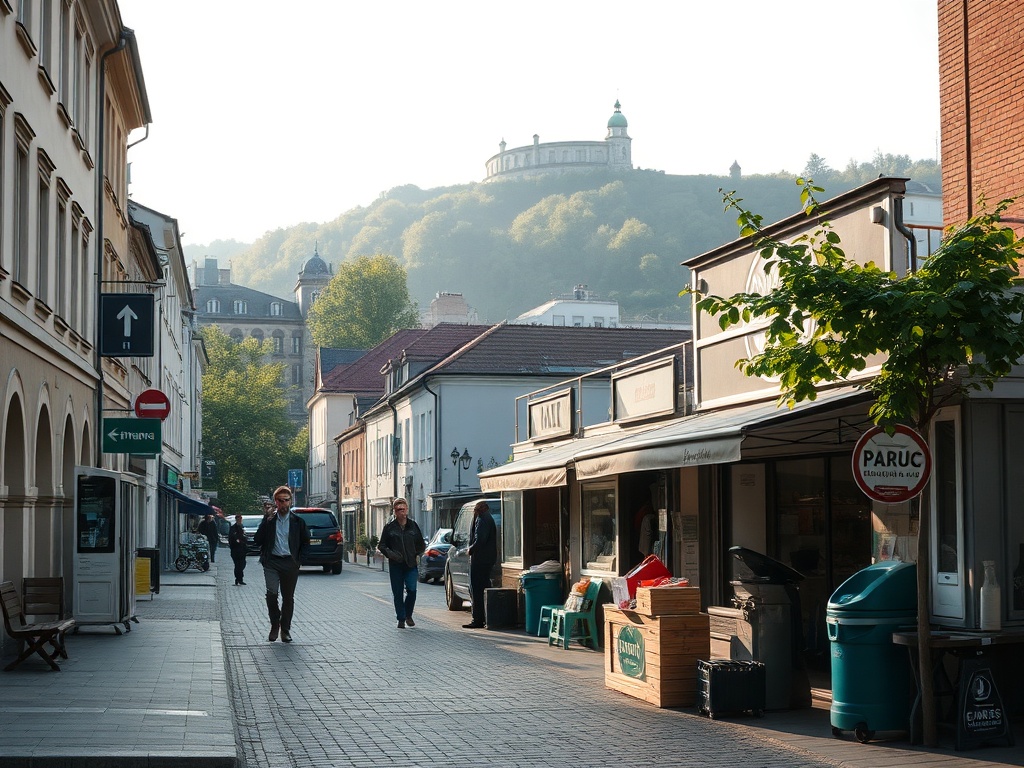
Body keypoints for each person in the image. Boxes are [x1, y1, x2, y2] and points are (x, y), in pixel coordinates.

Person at [253, 486, 309, 643]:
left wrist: (299, 560)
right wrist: (265, 519)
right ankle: (274, 625)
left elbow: (305, 543)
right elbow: (258, 540)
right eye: (280, 500)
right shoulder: (270, 521)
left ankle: (285, 630)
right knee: (271, 595)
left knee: (288, 598)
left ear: (290, 501)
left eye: (286, 500)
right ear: (275, 502)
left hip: (290, 563)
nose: (284, 504)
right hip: (272, 562)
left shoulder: (298, 522)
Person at [377, 497, 425, 629]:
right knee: (397, 592)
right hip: (396, 565)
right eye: (398, 510)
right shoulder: (389, 528)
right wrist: (392, 555)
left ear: (407, 510)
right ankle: (401, 618)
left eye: (403, 509)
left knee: (412, 590)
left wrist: (416, 554)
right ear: (394, 511)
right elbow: (382, 545)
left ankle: (408, 614)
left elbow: (421, 544)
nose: (401, 512)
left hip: (410, 564)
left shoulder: (413, 526)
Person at [463, 500, 497, 629]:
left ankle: (478, 619)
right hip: (487, 559)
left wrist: (471, 549)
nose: (474, 513)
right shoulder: (488, 518)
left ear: (479, 510)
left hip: (480, 559)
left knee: (477, 589)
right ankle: (483, 617)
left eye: (475, 510)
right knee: (483, 588)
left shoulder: (482, 520)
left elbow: (480, 539)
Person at [228, 513, 248, 585]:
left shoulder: (242, 527)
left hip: (242, 550)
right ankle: (238, 579)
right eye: (238, 519)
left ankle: (240, 578)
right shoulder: (233, 528)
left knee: (242, 564)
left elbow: (244, 537)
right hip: (236, 550)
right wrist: (238, 542)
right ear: (236, 519)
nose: (240, 520)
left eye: (240, 519)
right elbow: (232, 538)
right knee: (237, 565)